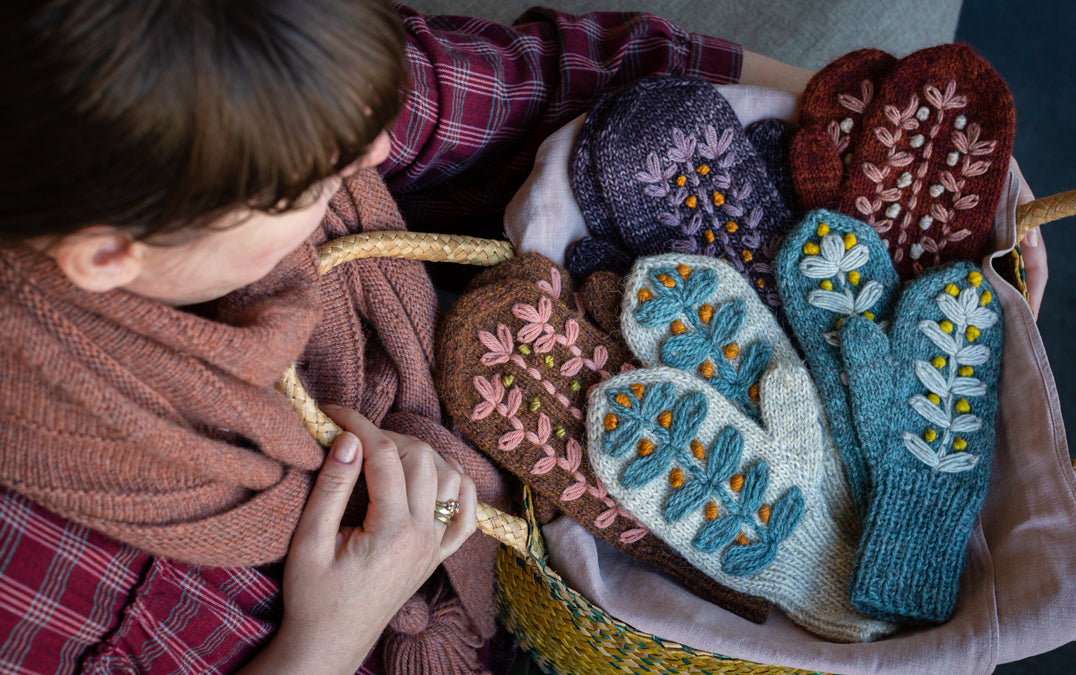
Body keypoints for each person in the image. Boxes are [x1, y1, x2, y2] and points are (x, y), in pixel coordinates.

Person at [0, 1, 823, 673]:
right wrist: (327, 639)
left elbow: (524, 84)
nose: (374, 150)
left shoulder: (238, 57)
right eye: (312, 178)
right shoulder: (31, 558)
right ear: (109, 254)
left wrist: (829, 98)